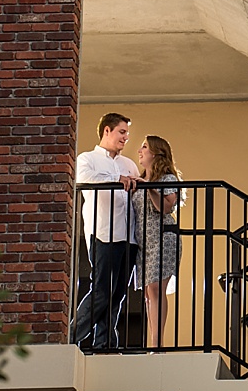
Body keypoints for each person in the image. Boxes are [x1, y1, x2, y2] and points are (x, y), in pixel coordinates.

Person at [71, 112, 140, 349]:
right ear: (107, 131)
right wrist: (116, 178)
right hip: (103, 234)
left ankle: (105, 345)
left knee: (118, 294)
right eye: (122, 132)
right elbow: (85, 179)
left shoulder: (129, 164)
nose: (125, 138)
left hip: (128, 237)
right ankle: (70, 338)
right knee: (101, 291)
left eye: (127, 134)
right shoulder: (86, 159)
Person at [134, 135, 184, 349]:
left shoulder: (167, 179)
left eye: (144, 147)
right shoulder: (139, 178)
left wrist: (149, 188)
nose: (140, 150)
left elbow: (164, 208)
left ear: (155, 152)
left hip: (164, 236)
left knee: (155, 288)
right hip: (144, 241)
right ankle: (152, 341)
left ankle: (157, 344)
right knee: (148, 292)